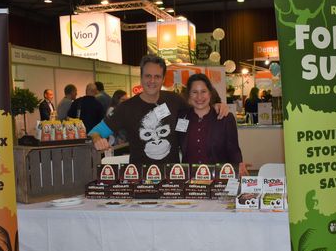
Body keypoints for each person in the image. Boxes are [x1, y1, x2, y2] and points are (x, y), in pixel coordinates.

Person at [88, 54, 229, 166]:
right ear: (141, 77)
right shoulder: (126, 108)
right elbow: (94, 132)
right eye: (148, 76)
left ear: (163, 79)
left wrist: (216, 106)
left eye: (157, 76)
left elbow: (199, 111)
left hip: (172, 178)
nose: (152, 81)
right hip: (140, 179)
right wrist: (97, 139)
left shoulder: (175, 100)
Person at [181, 73, 247, 177]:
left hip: (218, 178)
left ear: (210, 93)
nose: (199, 97)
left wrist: (239, 166)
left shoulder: (225, 118)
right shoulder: (181, 117)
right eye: (194, 92)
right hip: (190, 179)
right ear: (189, 94)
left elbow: (233, 149)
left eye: (203, 91)